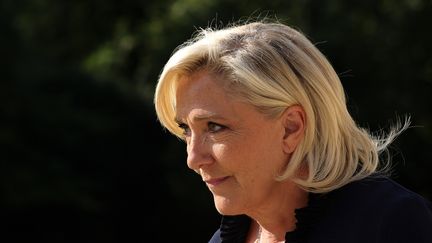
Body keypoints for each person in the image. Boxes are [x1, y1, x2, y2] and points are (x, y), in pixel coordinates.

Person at [153, 20, 432, 243]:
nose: (193, 159)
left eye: (215, 127)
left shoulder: (389, 222)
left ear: (291, 128)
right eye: (186, 129)